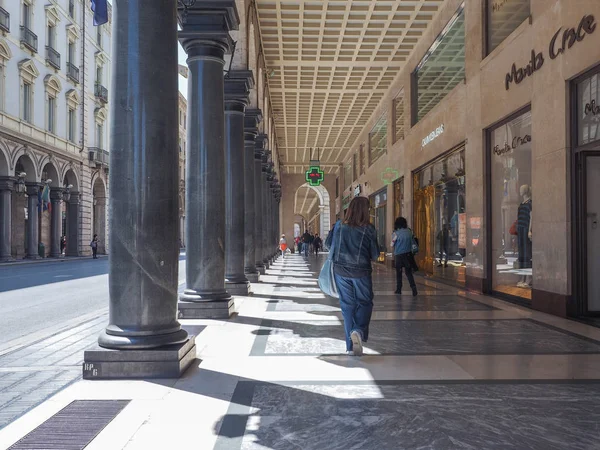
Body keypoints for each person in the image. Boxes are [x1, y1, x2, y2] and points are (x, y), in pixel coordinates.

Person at [325, 197, 379, 356]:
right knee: (365, 302)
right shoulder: (368, 228)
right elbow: (375, 254)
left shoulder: (339, 226)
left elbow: (328, 245)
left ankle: (350, 347)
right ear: (365, 210)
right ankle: (358, 330)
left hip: (341, 271)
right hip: (361, 271)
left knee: (347, 306)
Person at [391, 217, 418, 296]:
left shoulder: (396, 233)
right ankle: (414, 288)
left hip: (399, 255)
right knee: (408, 273)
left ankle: (399, 289)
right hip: (408, 255)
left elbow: (392, 244)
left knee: (399, 273)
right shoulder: (409, 232)